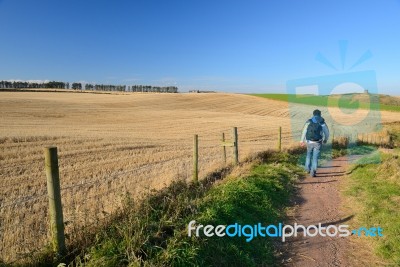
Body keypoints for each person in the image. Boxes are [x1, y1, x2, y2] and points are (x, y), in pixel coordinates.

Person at [300, 109, 330, 177]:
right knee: (315, 157)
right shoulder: (322, 122)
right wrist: (325, 139)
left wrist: (302, 141)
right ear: (320, 114)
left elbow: (304, 131)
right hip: (318, 142)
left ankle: (307, 169)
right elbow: (327, 133)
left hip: (309, 142)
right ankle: (313, 172)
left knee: (308, 155)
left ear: (313, 114)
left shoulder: (309, 121)